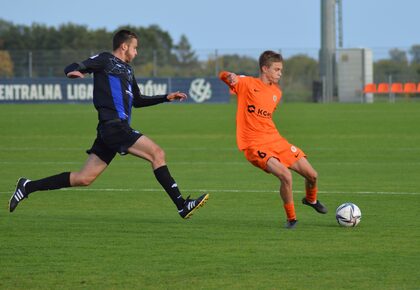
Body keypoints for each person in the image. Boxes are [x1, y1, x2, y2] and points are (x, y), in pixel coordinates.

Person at [9, 29, 209, 219]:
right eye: (135, 48)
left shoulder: (128, 71)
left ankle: (27, 186)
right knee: (157, 154)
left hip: (111, 130)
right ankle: (182, 205)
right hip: (114, 127)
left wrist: (166, 97)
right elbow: (74, 67)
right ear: (124, 47)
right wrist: (74, 72)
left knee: (84, 178)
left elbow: (137, 100)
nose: (136, 52)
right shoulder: (106, 60)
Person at [219, 50, 327, 229]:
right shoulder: (246, 83)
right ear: (265, 69)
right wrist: (228, 76)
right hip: (254, 145)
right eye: (277, 69)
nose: (280, 73)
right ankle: (292, 219)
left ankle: (311, 200)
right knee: (286, 176)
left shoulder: (277, 93)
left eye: (281, 69)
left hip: (276, 140)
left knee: (313, 175)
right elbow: (224, 76)